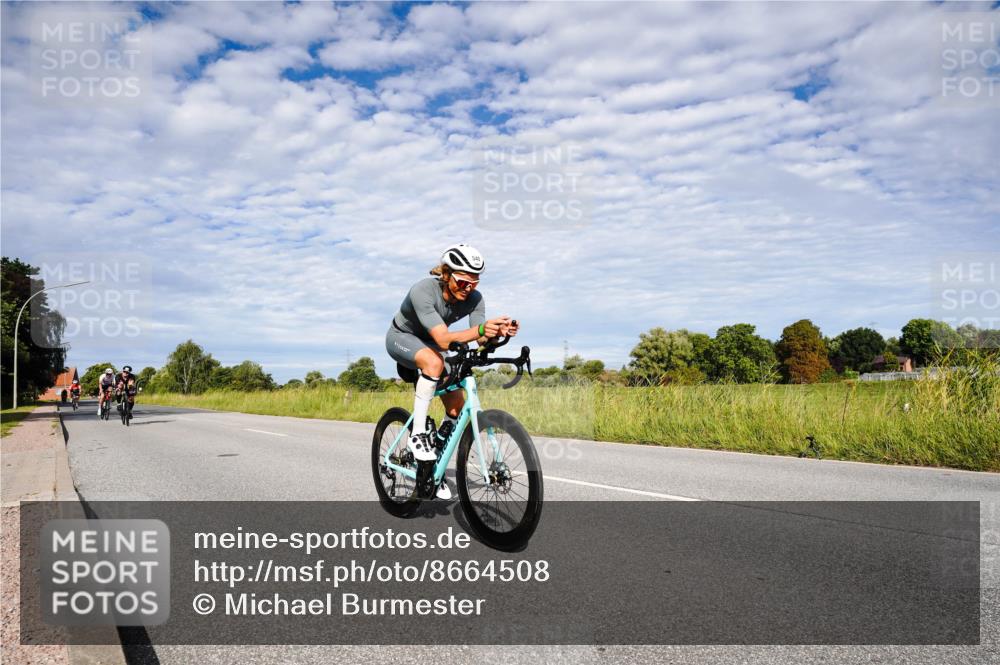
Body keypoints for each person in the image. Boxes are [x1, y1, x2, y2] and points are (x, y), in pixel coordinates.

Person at [385, 244, 518, 499]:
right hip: (402, 338)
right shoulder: (423, 290)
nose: (469, 288)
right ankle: (419, 434)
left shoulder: (475, 299)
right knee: (434, 363)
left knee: (456, 405)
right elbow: (445, 339)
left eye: (474, 283)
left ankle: (434, 467)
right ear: (446, 274)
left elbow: (479, 337)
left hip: (434, 346)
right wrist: (481, 331)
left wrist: (496, 333)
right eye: (463, 282)